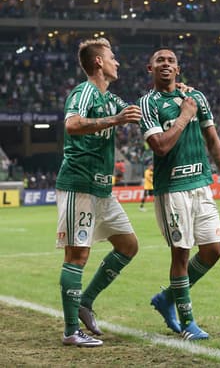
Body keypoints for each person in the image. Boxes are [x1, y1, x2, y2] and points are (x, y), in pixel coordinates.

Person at [138, 48, 220, 340]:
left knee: (213, 251)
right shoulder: (148, 103)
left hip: (202, 183)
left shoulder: (196, 97)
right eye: (160, 61)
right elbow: (159, 146)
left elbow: (212, 138)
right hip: (172, 188)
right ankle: (188, 323)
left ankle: (167, 298)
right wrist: (184, 116)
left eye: (171, 61)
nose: (166, 65)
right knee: (180, 254)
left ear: (178, 69)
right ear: (150, 68)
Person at [55, 38, 142, 347]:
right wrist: (115, 120)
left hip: (104, 189)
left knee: (129, 246)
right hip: (79, 184)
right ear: (98, 63)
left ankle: (85, 301)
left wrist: (172, 94)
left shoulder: (111, 99)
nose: (116, 62)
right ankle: (70, 332)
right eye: (112, 57)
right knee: (78, 255)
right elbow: (73, 124)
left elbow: (138, 111)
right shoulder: (84, 92)